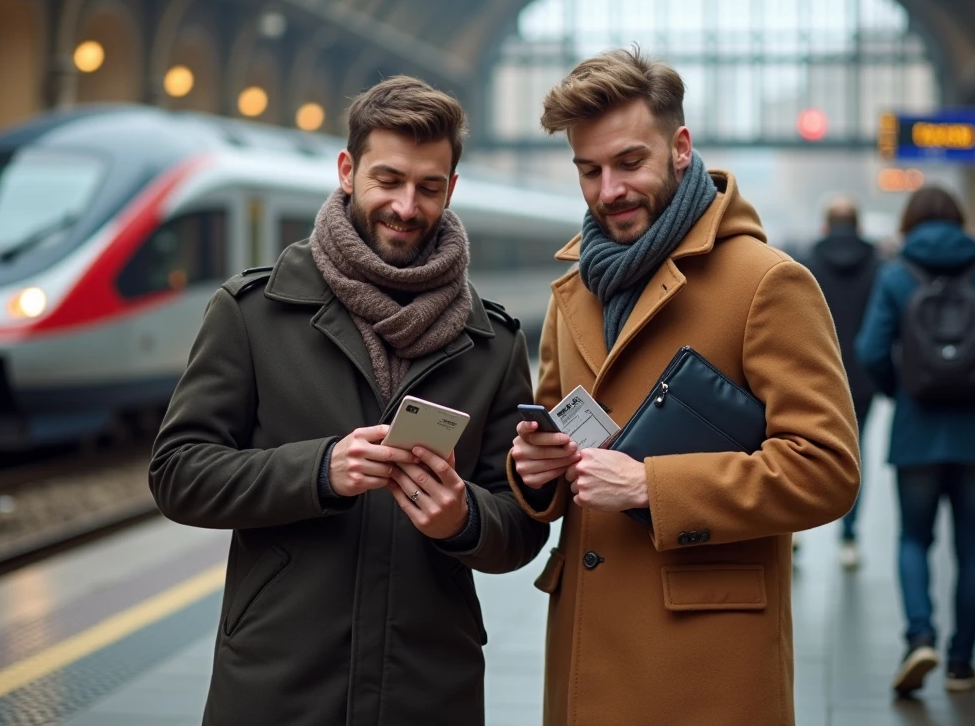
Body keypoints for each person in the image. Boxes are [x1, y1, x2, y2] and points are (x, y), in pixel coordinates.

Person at [149, 76, 549, 726]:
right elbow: (178, 475)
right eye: (387, 179)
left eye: (429, 186)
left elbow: (522, 525)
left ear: (452, 188)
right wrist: (318, 470)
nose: (406, 205)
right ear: (347, 170)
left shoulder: (491, 342)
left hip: (428, 689)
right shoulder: (253, 313)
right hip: (279, 685)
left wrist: (465, 519)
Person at [508, 48, 861, 726]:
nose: (608, 189)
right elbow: (554, 433)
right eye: (589, 170)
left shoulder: (766, 283)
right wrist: (533, 471)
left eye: (629, 162)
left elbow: (828, 470)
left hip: (704, 666)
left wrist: (650, 487)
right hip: (587, 655)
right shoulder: (574, 289)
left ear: (679, 147)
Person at [856, 186, 975, 696]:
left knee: (914, 539)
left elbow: (869, 350)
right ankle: (961, 664)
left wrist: (901, 390)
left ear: (910, 222)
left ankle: (919, 638)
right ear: (960, 221)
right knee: (972, 549)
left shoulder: (896, 277)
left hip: (917, 430)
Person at [803, 197, 880, 570]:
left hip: (814, 376)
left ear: (825, 226)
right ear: (860, 226)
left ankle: (793, 534)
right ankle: (849, 537)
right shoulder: (878, 266)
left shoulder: (808, 264)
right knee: (855, 455)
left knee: (798, 451)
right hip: (862, 379)